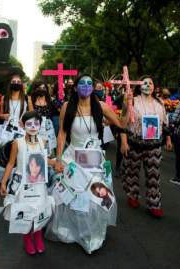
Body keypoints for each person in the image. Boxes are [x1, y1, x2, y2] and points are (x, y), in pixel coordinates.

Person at [48, 74, 122, 254]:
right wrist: (58, 159)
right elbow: (62, 134)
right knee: (70, 194)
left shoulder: (101, 106)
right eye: (82, 83)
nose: (86, 86)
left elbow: (119, 124)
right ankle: (70, 229)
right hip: (73, 157)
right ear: (75, 87)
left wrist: (126, 114)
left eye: (90, 83)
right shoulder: (67, 106)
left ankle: (92, 232)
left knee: (94, 195)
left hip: (94, 158)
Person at [0, 111, 56, 255]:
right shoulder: (17, 143)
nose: (33, 126)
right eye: (29, 123)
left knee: (38, 209)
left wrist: (54, 163)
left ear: (40, 125)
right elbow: (11, 163)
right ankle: (27, 237)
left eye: (36, 123)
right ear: (22, 125)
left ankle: (37, 235)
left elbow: (44, 159)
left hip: (38, 182)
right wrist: (4, 182)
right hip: (22, 183)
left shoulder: (43, 141)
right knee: (25, 211)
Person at [120, 76, 172, 218]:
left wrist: (168, 139)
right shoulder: (133, 101)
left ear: (155, 86)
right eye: (145, 83)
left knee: (153, 175)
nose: (148, 85)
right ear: (139, 85)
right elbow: (123, 122)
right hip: (135, 143)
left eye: (151, 83)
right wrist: (124, 142)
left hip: (154, 145)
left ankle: (154, 203)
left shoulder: (159, 103)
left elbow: (165, 123)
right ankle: (132, 195)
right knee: (132, 171)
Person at [28, 80, 56, 154]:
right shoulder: (31, 100)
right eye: (39, 88)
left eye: (44, 87)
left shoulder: (50, 101)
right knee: (36, 152)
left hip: (48, 130)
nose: (42, 89)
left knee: (48, 152)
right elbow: (30, 114)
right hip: (35, 129)